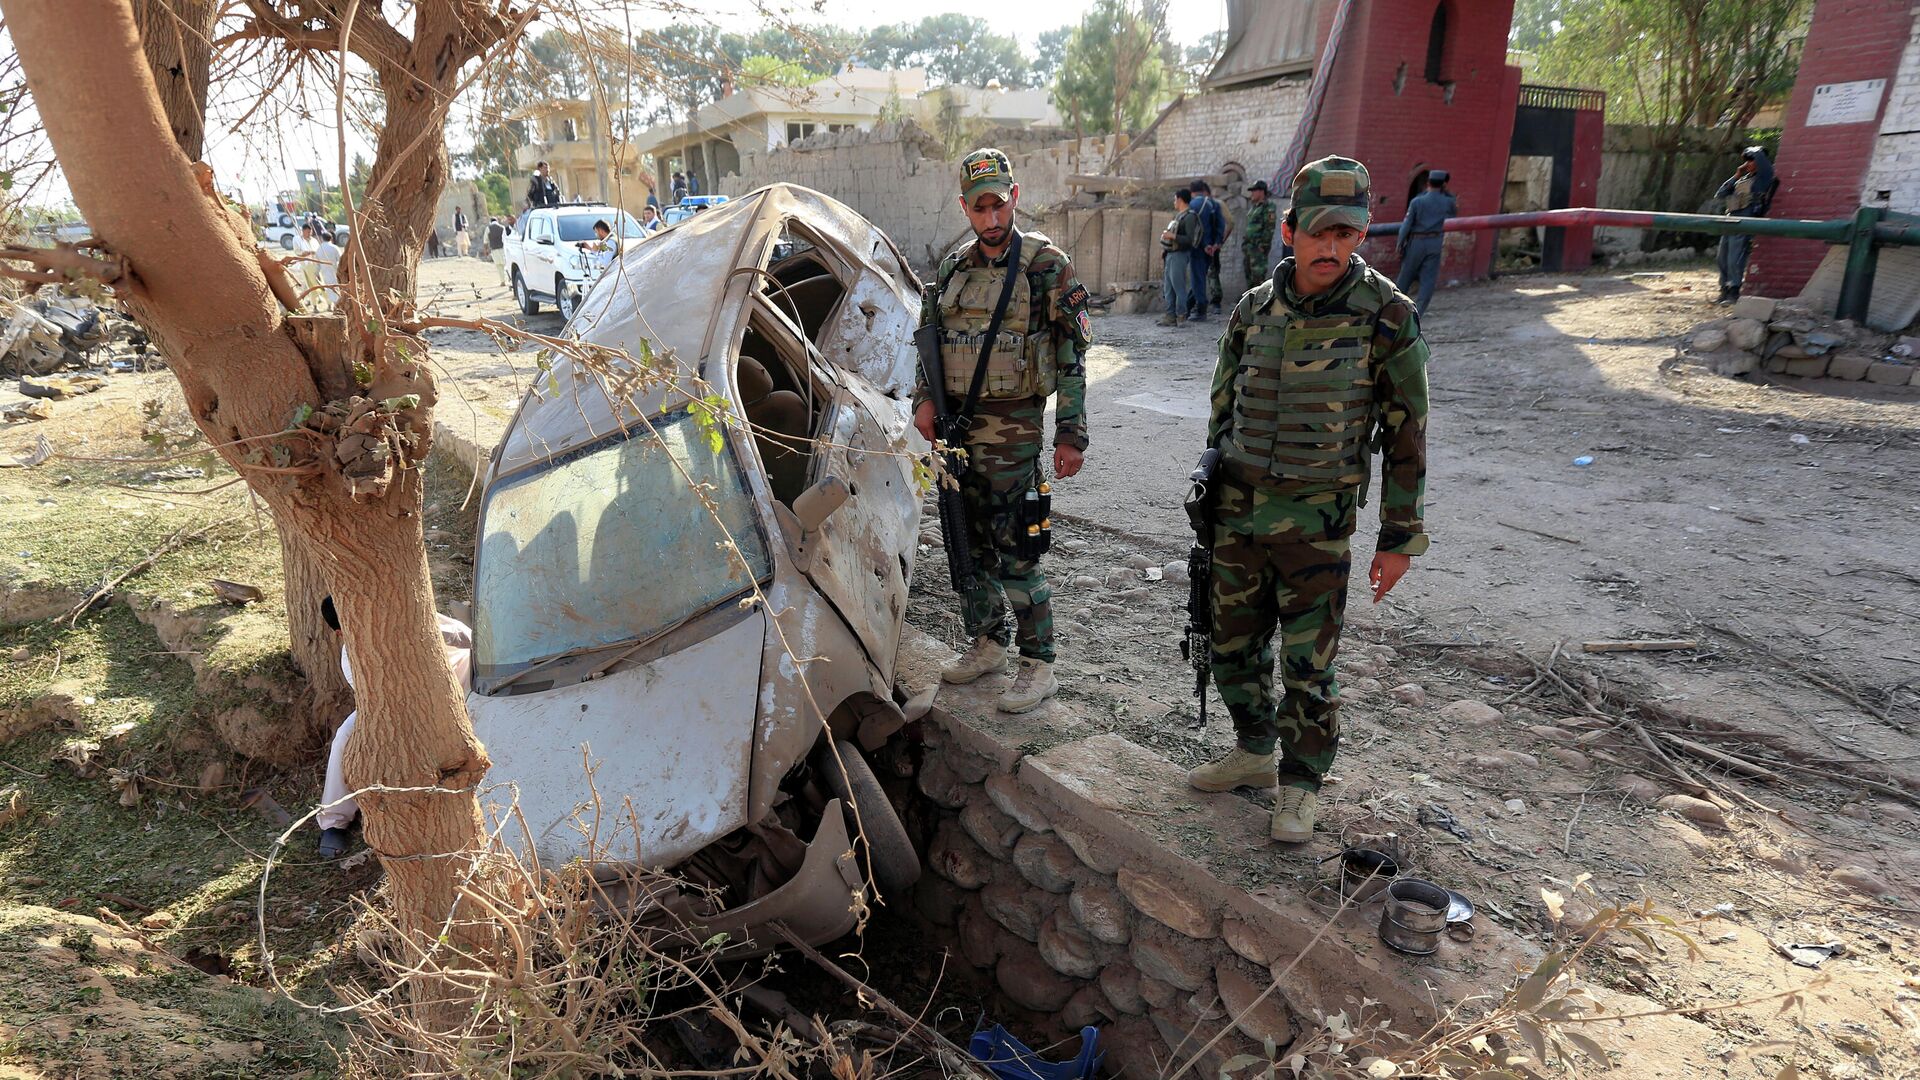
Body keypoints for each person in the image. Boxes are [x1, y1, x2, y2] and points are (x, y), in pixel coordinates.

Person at [1189, 155, 1430, 844]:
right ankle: (1254, 752)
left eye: (1347, 235)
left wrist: (1398, 536)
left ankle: (1299, 785)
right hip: (1237, 518)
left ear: (1361, 235)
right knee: (1231, 648)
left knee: (1307, 667)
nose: (1331, 248)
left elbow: (1407, 436)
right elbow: (1222, 409)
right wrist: (1208, 492)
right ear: (1290, 231)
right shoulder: (1252, 310)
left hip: (1316, 528)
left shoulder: (1387, 315)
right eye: (1319, 232)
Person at [913, 147, 1093, 714]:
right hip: (957, 430)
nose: (991, 218)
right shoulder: (953, 267)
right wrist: (923, 400)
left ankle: (1039, 662)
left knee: (1016, 547)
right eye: (979, 207)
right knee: (966, 542)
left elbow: (1072, 353)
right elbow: (930, 340)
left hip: (1014, 431)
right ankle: (988, 641)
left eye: (1000, 204)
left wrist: (1072, 432)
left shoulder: (1046, 266)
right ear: (964, 206)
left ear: (1014, 197)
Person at [315, 597, 474, 858]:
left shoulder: (402, 614)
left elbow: (466, 637)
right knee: (345, 735)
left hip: (460, 679)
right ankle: (334, 821)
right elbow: (379, 705)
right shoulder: (351, 660)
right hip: (400, 709)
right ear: (341, 633)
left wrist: (424, 632)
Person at [1714, 146, 1775, 304]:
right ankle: (1724, 290)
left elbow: (1764, 170)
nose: (1748, 163)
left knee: (1736, 257)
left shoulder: (1764, 178)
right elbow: (1720, 194)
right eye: (1746, 160)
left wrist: (1757, 155)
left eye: (1751, 160)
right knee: (1722, 256)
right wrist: (1736, 175)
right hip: (1730, 219)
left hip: (1745, 220)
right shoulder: (1742, 179)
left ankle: (1734, 291)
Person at [1395, 170, 1457, 316]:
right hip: (1435, 242)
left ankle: (1394, 308)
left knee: (1405, 277)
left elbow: (1406, 225)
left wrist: (1400, 243)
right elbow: (1454, 215)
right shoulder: (1448, 202)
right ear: (1443, 185)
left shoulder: (1417, 201)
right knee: (1428, 280)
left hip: (1416, 242)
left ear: (1427, 183)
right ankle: (1417, 314)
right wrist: (1446, 192)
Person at [1158, 188, 1199, 327]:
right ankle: (1170, 316)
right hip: (1171, 254)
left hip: (1180, 255)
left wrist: (1172, 236)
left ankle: (1181, 316)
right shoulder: (1179, 216)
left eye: (1175, 199)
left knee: (1178, 286)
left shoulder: (1190, 217)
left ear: (1180, 200)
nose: (1174, 202)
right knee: (1168, 287)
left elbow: (1189, 239)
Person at [1187, 178, 1224, 322]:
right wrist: (1215, 244)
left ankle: (1201, 308)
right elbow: (1220, 225)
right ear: (1203, 190)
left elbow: (1193, 228)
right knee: (1200, 278)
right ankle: (1187, 306)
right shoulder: (1214, 203)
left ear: (1192, 192)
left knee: (1197, 278)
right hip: (1211, 249)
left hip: (1197, 248)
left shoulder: (1192, 205)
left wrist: (1204, 245)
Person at [1193, 179, 1230, 316]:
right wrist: (1218, 243)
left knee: (1207, 274)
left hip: (1205, 247)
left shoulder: (1210, 204)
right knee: (1205, 274)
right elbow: (1225, 224)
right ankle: (1202, 304)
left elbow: (1228, 224)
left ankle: (1211, 304)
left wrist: (1217, 243)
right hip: (1212, 246)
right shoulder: (1215, 204)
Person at [1241, 179, 1276, 291]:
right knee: (1249, 275)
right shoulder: (1254, 207)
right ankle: (1250, 301)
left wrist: (1263, 245)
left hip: (1258, 248)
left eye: (1254, 191)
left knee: (1258, 277)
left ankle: (1259, 304)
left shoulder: (1268, 206)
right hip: (1249, 247)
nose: (1252, 193)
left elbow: (1269, 227)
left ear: (1261, 192)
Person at [293, 222, 322, 308]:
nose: (309, 233)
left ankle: (317, 297)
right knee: (309, 283)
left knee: (317, 282)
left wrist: (314, 253)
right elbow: (297, 251)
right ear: (303, 231)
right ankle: (313, 300)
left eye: (310, 232)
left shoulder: (314, 240)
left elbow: (318, 251)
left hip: (315, 263)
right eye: (307, 232)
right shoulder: (297, 239)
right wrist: (304, 253)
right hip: (305, 264)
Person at [315, 229, 342, 309]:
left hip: (325, 272)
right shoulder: (334, 247)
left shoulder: (319, 249)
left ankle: (333, 305)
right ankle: (338, 305)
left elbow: (317, 264)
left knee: (329, 289)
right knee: (337, 287)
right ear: (331, 238)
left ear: (322, 239)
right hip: (335, 270)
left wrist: (316, 274)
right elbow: (340, 260)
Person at [486, 215, 508, 285]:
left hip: (494, 249)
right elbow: (505, 239)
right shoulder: (502, 227)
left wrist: (486, 250)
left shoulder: (488, 228)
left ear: (490, 222)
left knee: (499, 266)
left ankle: (502, 281)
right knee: (506, 265)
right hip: (503, 248)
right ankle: (509, 279)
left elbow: (485, 241)